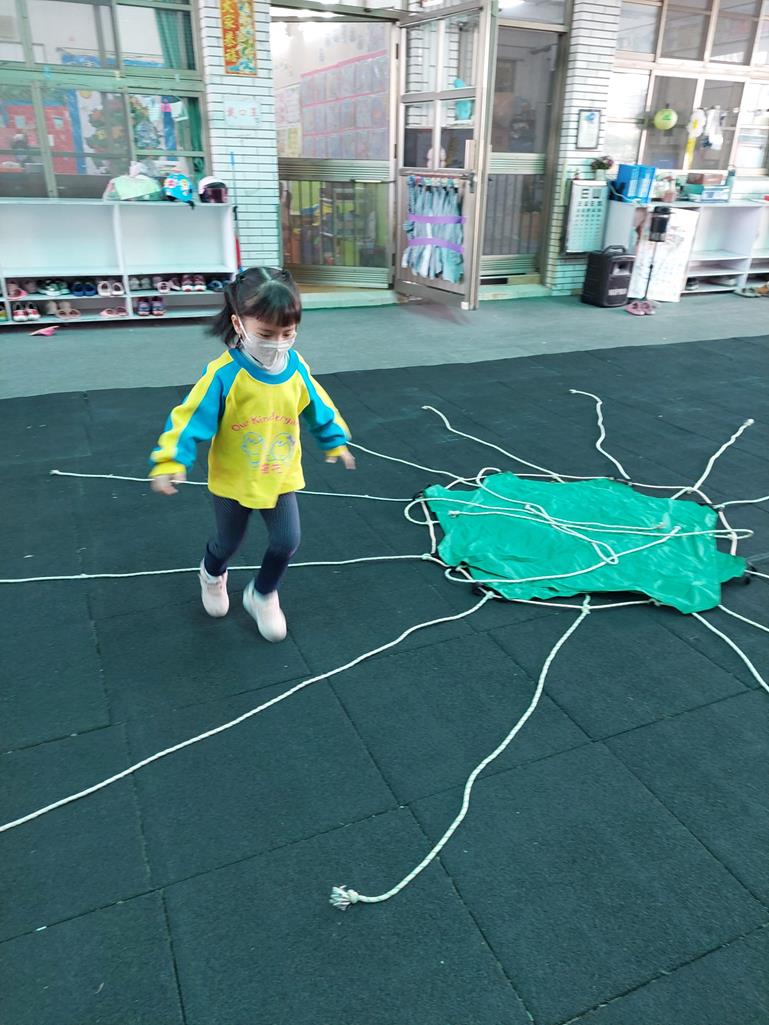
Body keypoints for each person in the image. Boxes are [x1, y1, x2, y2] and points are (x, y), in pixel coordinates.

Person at [148, 266, 355, 642]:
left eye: (288, 333)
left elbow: (318, 404)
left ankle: (262, 594)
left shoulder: (296, 367)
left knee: (287, 540)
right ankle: (212, 574)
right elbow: (188, 419)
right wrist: (171, 459)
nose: (278, 343)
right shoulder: (224, 375)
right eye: (266, 334)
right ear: (238, 324)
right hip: (234, 479)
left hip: (279, 475)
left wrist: (333, 439)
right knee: (228, 542)